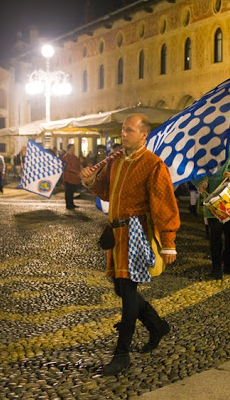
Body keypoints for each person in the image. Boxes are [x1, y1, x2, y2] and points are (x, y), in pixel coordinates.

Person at [80, 113, 180, 376]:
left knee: (126, 293)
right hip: (116, 234)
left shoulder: (153, 164)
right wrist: (90, 180)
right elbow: (105, 191)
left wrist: (169, 242)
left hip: (136, 233)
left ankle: (122, 353)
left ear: (143, 134)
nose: (123, 134)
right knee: (121, 289)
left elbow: (164, 203)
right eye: (123, 130)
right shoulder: (116, 160)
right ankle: (157, 325)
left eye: (129, 130)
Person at [197, 142, 230, 279]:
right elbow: (197, 172)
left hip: (229, 199)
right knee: (214, 236)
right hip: (212, 198)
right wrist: (200, 183)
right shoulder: (205, 148)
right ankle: (216, 270)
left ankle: (227, 264)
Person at [61, 143, 82, 210]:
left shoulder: (75, 158)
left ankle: (71, 204)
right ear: (69, 149)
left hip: (74, 177)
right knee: (68, 191)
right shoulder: (65, 158)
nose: (74, 150)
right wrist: (76, 171)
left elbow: (78, 165)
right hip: (68, 177)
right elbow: (67, 167)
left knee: (72, 191)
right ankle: (68, 205)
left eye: (74, 148)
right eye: (72, 148)